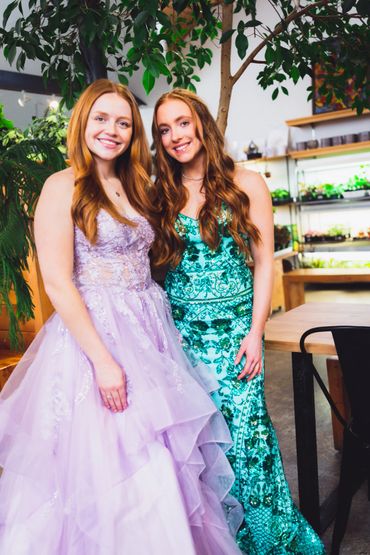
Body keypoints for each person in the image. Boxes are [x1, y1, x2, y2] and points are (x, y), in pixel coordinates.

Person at [0, 79, 244, 555]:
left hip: (151, 327)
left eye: (124, 122)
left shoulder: (136, 184)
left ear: (133, 133)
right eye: (101, 118)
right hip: (98, 336)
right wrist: (104, 361)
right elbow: (57, 282)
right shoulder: (61, 185)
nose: (112, 130)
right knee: (119, 460)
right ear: (83, 123)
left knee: (166, 455)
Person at [151, 88, 325, 554]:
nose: (175, 137)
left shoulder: (246, 183)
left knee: (250, 445)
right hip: (182, 339)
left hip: (235, 339)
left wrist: (255, 333)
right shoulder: (160, 193)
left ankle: (271, 543)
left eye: (182, 123)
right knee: (202, 449)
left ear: (201, 123)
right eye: (164, 130)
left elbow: (265, 262)